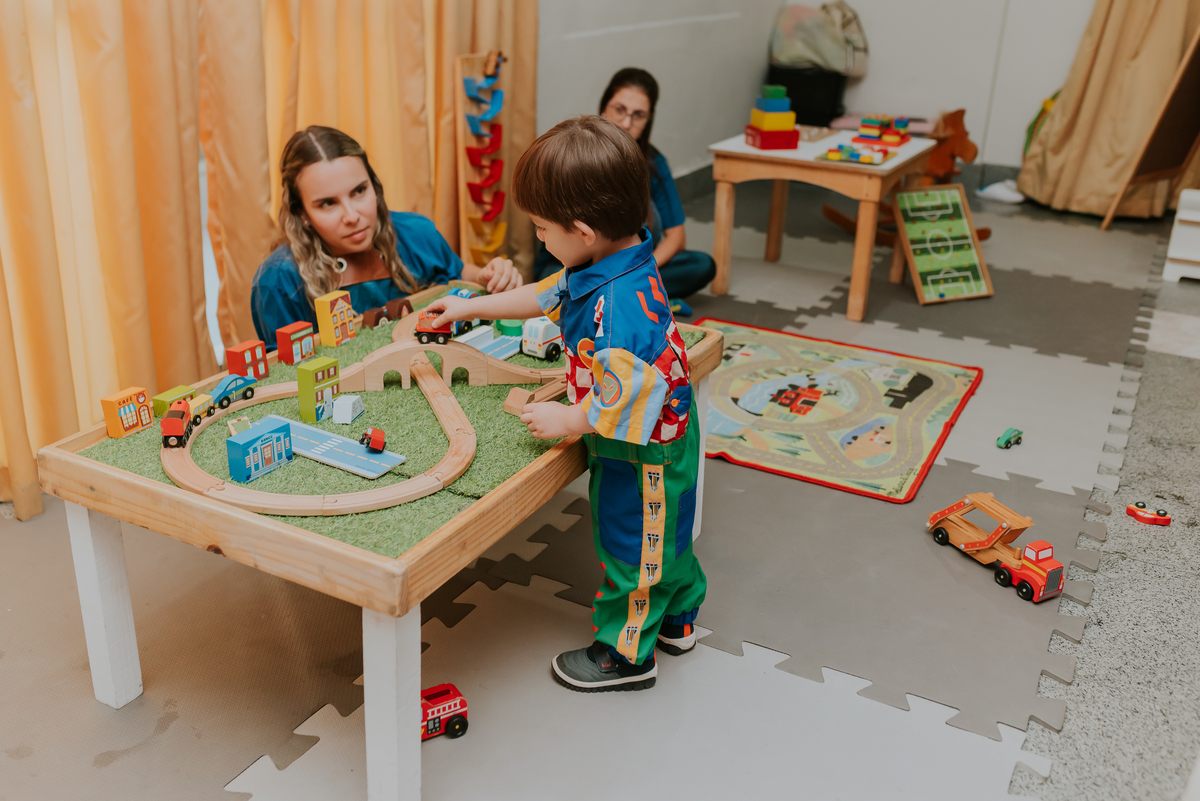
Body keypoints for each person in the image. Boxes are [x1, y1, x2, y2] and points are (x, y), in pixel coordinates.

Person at [426, 116, 706, 692]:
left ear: (581, 230)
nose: (540, 240)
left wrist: (571, 419)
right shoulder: (607, 258)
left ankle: (627, 655)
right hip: (663, 438)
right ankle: (677, 619)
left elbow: (632, 394)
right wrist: (470, 308)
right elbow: (544, 294)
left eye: (542, 229)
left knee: (635, 545)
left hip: (644, 451)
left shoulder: (618, 308)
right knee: (668, 533)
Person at [251, 126, 522, 345]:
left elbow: (463, 273)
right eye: (327, 203)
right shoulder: (278, 282)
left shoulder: (417, 231)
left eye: (359, 191)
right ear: (301, 214)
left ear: (375, 186)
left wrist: (491, 275)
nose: (352, 215)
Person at [532, 67, 716, 315]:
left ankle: (620, 296)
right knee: (552, 280)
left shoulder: (652, 162)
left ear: (648, 119)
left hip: (633, 267)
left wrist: (637, 271)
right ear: (604, 106)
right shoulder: (578, 156)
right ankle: (639, 298)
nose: (626, 123)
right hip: (576, 267)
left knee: (701, 265)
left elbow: (676, 238)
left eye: (638, 115)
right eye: (619, 109)